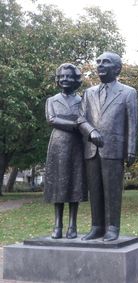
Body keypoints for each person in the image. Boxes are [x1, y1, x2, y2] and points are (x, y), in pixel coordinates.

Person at [78, 52, 138, 242]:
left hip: (114, 148)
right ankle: (97, 226)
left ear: (117, 69)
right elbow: (80, 118)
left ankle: (112, 227)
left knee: (112, 191)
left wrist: (131, 149)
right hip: (91, 148)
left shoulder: (128, 92)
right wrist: (90, 131)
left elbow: (132, 123)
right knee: (94, 190)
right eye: (98, 62)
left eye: (105, 62)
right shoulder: (89, 92)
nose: (100, 65)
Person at [44, 63, 87, 239]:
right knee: (58, 186)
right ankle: (57, 225)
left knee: (75, 184)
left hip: (77, 146)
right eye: (61, 76)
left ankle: (72, 225)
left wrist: (78, 124)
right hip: (57, 145)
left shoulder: (82, 100)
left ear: (76, 79)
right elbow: (51, 119)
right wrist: (75, 124)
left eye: (69, 76)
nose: (65, 79)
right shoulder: (51, 100)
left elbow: (84, 119)